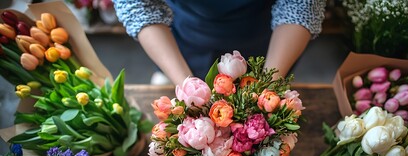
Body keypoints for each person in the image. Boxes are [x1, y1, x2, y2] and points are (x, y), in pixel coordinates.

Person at [112, 0, 326, 85]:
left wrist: (268, 84)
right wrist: (186, 86)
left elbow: (300, 5)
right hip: (186, 27)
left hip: (264, 31)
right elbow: (139, 6)